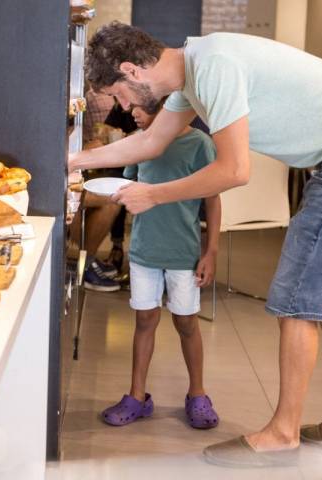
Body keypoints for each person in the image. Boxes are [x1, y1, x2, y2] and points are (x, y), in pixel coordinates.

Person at [68, 22, 322, 467]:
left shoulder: (212, 67)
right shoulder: (194, 70)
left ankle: (283, 432)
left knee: (297, 297)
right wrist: (73, 160)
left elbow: (234, 171)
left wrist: (153, 194)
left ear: (132, 70)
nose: (123, 105)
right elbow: (151, 142)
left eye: (118, 94)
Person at [100, 104, 221, 430]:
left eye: (139, 107)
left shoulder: (199, 144)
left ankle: (197, 393)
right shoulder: (138, 142)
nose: (132, 113)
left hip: (183, 253)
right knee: (144, 320)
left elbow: (212, 199)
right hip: (144, 251)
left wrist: (210, 251)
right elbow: (128, 188)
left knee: (186, 322)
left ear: (165, 106)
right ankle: (137, 396)